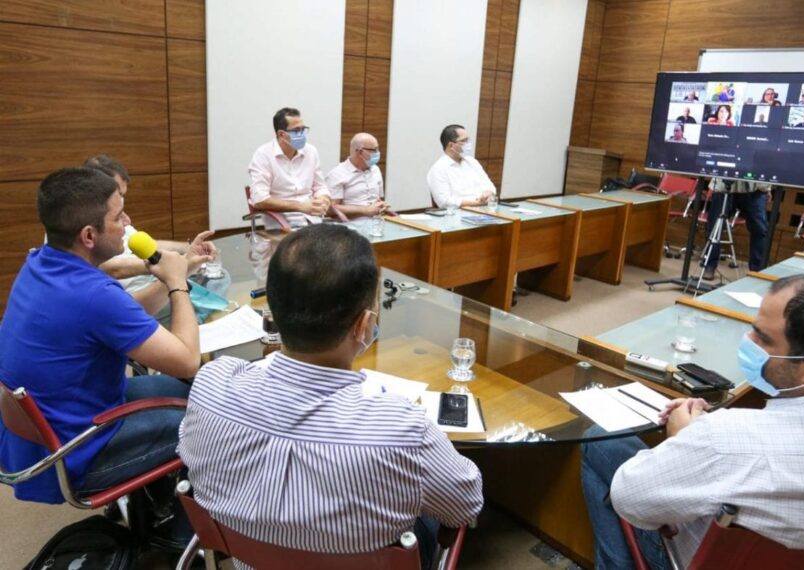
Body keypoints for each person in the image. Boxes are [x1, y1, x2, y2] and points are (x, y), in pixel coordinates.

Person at [178, 224, 483, 569]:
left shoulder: (211, 384)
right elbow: (465, 505)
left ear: (272, 312)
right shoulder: (403, 427)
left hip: (249, 559)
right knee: (423, 511)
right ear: (363, 325)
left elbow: (189, 452)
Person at [582, 273, 804, 569]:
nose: (749, 341)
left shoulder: (724, 440)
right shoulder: (729, 438)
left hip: (700, 558)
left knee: (600, 440)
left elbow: (632, 503)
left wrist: (686, 439)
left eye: (763, 338)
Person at [0, 167, 203, 505]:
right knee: (209, 425)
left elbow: (123, 317)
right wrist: (177, 284)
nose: (128, 221)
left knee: (191, 394)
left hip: (48, 430)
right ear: (89, 236)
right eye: (118, 215)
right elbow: (186, 360)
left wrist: (179, 272)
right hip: (75, 451)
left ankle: (154, 506)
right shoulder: (93, 294)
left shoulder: (41, 262)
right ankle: (179, 531)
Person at [83, 155, 215, 315]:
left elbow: (147, 244)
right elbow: (111, 268)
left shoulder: (112, 215)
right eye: (119, 193)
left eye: (123, 195)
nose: (126, 219)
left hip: (149, 284)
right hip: (135, 298)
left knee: (216, 279)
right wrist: (173, 266)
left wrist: (188, 248)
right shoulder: (84, 221)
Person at [248, 107, 332, 228]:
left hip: (313, 221)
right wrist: (300, 206)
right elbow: (259, 200)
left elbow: (320, 186)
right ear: (281, 134)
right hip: (281, 224)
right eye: (297, 130)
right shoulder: (263, 155)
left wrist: (323, 198)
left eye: (303, 129)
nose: (302, 134)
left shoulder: (311, 151)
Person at [701, 178, 769, 280]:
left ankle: (757, 271)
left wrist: (768, 188)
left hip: (755, 188)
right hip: (724, 186)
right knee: (715, 227)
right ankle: (709, 266)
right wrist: (713, 186)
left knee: (760, 230)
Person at [427, 124, 496, 209]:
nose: (468, 143)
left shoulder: (472, 162)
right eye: (464, 141)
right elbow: (444, 202)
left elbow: (490, 186)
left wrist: (488, 192)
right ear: (451, 146)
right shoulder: (438, 169)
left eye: (468, 140)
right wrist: (477, 202)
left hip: (485, 210)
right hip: (457, 215)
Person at [325, 132, 389, 220]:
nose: (378, 153)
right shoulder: (337, 174)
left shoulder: (375, 170)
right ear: (360, 152)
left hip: (376, 224)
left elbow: (379, 199)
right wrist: (365, 210)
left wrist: (382, 206)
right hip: (350, 227)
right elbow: (330, 209)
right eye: (374, 150)